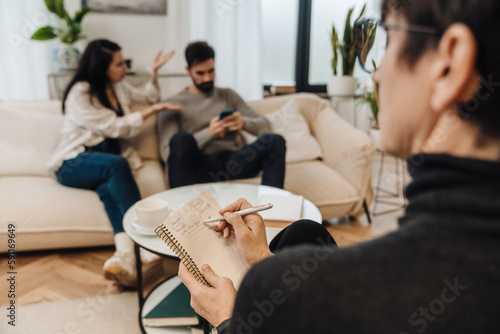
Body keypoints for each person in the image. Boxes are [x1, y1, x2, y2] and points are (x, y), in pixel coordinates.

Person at [179, 0, 500, 332]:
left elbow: (263, 126)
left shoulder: (273, 288)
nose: (377, 72)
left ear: (450, 63)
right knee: (307, 231)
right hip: (200, 159)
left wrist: (227, 320)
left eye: (388, 40)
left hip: (235, 156)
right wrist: (261, 258)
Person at [47, 39, 182, 287]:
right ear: (102, 67)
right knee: (117, 166)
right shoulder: (81, 93)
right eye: (119, 64)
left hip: (102, 161)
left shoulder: (118, 87)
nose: (124, 68)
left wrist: (154, 72)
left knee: (108, 190)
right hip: (73, 162)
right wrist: (152, 111)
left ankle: (125, 258)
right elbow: (113, 127)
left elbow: (148, 95)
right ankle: (143, 243)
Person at [157, 41, 286, 189]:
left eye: (211, 71)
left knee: (275, 140)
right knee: (181, 139)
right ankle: (185, 209)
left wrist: (243, 123)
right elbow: (168, 153)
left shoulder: (228, 95)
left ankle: (271, 206)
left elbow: (266, 126)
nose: (207, 78)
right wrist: (209, 133)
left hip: (234, 162)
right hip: (199, 165)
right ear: (188, 70)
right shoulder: (172, 104)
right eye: (200, 73)